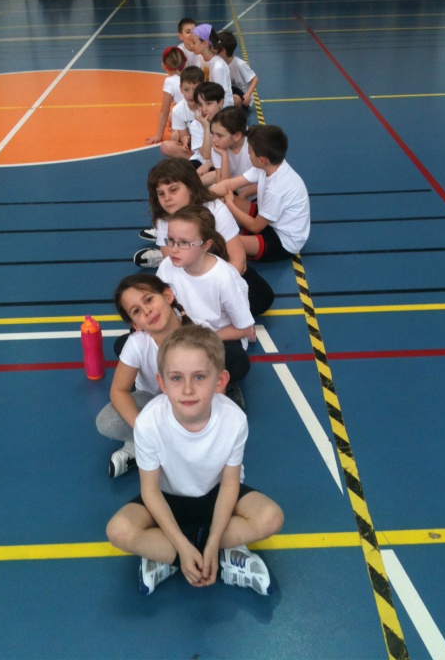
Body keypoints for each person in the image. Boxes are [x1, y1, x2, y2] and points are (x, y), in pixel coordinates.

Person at [106, 324, 284, 596]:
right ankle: (205, 556)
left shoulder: (234, 420)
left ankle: (173, 555)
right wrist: (182, 547)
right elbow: (150, 491)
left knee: (271, 518)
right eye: (176, 378)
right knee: (119, 530)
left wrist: (213, 541)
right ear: (162, 383)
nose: (187, 389)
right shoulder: (148, 423)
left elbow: (229, 485)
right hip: (167, 498)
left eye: (199, 377)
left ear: (220, 381)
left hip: (216, 494)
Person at [134, 157, 274, 316]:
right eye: (161, 193)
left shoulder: (215, 209)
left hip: (221, 271)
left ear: (190, 188)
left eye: (173, 190)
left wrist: (215, 291)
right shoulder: (163, 220)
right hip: (187, 277)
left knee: (262, 295)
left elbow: (238, 260)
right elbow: (173, 266)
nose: (167, 198)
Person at [96, 274, 196, 477]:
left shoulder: (199, 337)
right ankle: (141, 443)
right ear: (136, 325)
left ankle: (155, 448)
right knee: (107, 421)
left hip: (190, 403)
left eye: (149, 299)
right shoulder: (137, 343)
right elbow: (118, 391)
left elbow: (210, 390)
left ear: (167, 296)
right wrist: (141, 429)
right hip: (151, 401)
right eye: (136, 311)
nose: (147, 311)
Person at [157, 206, 255, 403]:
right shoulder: (167, 267)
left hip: (216, 335)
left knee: (236, 359)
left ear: (206, 245)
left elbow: (245, 329)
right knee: (128, 344)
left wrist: (199, 340)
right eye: (171, 240)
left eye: (184, 243)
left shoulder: (223, 278)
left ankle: (224, 385)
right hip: (181, 331)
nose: (173, 249)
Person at [211, 125, 310, 262]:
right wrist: (200, 196)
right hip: (270, 218)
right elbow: (229, 184)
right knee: (221, 196)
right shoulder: (267, 165)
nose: (248, 155)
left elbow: (255, 227)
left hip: (283, 240)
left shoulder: (277, 188)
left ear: (262, 160)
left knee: (225, 243)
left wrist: (229, 204)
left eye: (250, 152)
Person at [158, 65, 205, 160]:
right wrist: (185, 141)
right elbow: (184, 136)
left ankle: (203, 160)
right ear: (180, 88)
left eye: (195, 89)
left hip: (211, 143)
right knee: (166, 146)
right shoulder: (177, 110)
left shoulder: (208, 105)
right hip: (195, 145)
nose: (191, 94)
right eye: (186, 89)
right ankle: (197, 159)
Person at [146, 46, 187, 146]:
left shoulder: (169, 81)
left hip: (185, 117)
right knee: (171, 116)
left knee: (174, 136)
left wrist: (159, 135)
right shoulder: (189, 75)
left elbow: (164, 110)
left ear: (164, 66)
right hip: (195, 115)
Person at [189, 24, 233, 108]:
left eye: (194, 42)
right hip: (208, 101)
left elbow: (219, 96)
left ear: (205, 43)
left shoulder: (218, 67)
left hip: (222, 108)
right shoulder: (201, 58)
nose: (191, 46)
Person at [217, 31, 258, 109]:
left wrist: (248, 94)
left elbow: (255, 79)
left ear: (223, 51)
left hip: (242, 94)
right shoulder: (220, 63)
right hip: (230, 89)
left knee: (235, 99)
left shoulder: (239, 64)